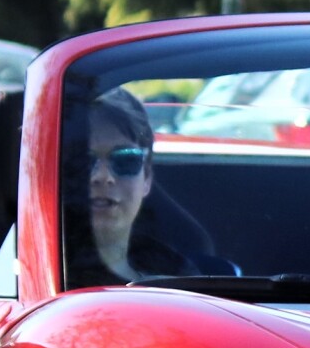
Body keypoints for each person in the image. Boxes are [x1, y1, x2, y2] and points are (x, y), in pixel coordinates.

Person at [61, 87, 217, 284]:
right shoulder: (33, 276)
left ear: (147, 178)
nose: (103, 176)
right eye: (82, 161)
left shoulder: (177, 275)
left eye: (125, 160)